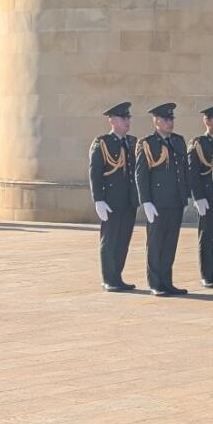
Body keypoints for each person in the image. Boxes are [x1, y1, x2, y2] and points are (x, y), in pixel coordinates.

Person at [134, 102, 190, 296]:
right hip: (157, 202)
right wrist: (146, 201)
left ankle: (167, 281)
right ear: (156, 121)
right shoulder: (147, 143)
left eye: (171, 119)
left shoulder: (178, 141)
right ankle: (156, 283)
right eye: (165, 119)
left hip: (176, 201)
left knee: (170, 244)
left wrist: (186, 195)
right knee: (156, 243)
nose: (169, 122)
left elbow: (183, 171)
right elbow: (141, 174)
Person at [88, 101, 138, 292]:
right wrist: (98, 199)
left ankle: (117, 276)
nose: (127, 121)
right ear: (112, 121)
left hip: (129, 200)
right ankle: (109, 278)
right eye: (123, 118)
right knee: (110, 240)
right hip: (110, 201)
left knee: (123, 240)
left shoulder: (132, 142)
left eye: (128, 118)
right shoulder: (102, 143)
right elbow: (95, 173)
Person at [188, 104, 213, 288]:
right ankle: (206, 274)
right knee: (207, 235)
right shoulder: (198, 144)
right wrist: (198, 197)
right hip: (207, 197)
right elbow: (193, 173)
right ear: (207, 121)